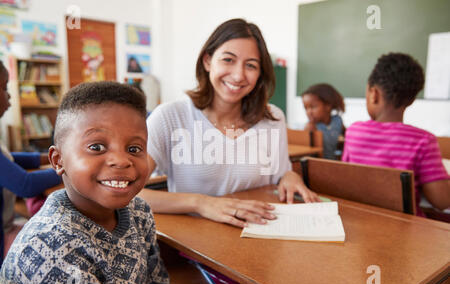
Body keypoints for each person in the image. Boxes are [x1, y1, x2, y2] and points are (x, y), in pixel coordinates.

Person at [139, 18, 320, 229]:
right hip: (196, 247)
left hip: (261, 236)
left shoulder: (273, 118)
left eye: (251, 65)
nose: (238, 75)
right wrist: (201, 203)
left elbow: (282, 172)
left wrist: (290, 177)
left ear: (260, 73)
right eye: (228, 60)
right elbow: (128, 194)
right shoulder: (170, 116)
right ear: (207, 61)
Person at [0, 81, 172, 284]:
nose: (121, 161)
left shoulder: (139, 212)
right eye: (96, 147)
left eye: (134, 149)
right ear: (58, 160)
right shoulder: (51, 247)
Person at [342, 52, 450, 217]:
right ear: (412, 100)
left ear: (374, 94)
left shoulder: (354, 132)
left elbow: (345, 176)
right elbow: (441, 201)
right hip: (406, 231)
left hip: (361, 221)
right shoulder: (423, 141)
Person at [0, 61, 61, 265]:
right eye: (4, 87)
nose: (9, 95)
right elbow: (25, 185)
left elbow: (10, 158)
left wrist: (48, 157)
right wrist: (67, 167)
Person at [301, 83, 345, 159]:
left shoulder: (337, 121)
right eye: (306, 108)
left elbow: (345, 142)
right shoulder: (310, 126)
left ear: (328, 106)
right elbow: (307, 154)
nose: (309, 112)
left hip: (333, 163)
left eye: (313, 107)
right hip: (317, 165)